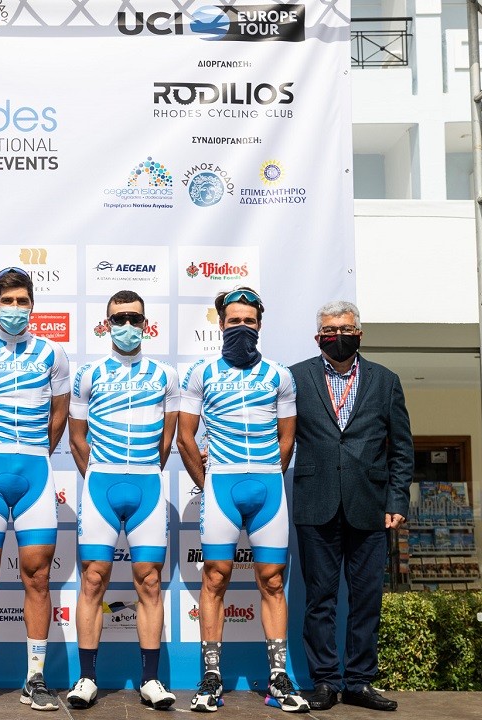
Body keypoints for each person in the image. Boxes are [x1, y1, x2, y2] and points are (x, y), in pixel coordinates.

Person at [176, 286, 309, 714]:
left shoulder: (279, 375)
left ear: (260, 325)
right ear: (220, 324)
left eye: (249, 321)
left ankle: (278, 676)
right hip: (221, 487)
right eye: (234, 321)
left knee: (272, 581)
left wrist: (268, 473)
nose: (241, 327)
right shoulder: (201, 373)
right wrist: (208, 482)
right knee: (215, 579)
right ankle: (212, 675)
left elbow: (287, 440)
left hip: (268, 488)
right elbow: (185, 438)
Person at [0, 267, 70, 712]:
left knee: (38, 577)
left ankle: (35, 678)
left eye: (23, 301)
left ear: (32, 305)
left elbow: (59, 416)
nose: (15, 309)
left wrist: (37, 451)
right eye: (8, 301)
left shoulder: (53, 353)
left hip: (35, 471)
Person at [291, 301, 412, 712]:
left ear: (359, 333)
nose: (337, 336)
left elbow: (401, 449)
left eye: (345, 329)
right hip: (315, 502)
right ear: (318, 337)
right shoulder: (296, 377)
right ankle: (325, 681)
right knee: (319, 599)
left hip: (371, 506)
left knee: (366, 600)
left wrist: (397, 498)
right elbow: (276, 433)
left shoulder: (386, 380)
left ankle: (359, 681)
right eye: (329, 330)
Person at [65, 291, 179, 711]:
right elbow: (76, 439)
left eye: (134, 318)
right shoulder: (88, 374)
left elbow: (167, 439)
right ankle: (87, 679)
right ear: (106, 323)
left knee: (149, 581)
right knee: (93, 579)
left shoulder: (166, 375)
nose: (126, 325)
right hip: (101, 486)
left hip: (148, 484)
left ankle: (151, 680)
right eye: (119, 318)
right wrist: (99, 474)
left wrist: (143, 470)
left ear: (146, 323)